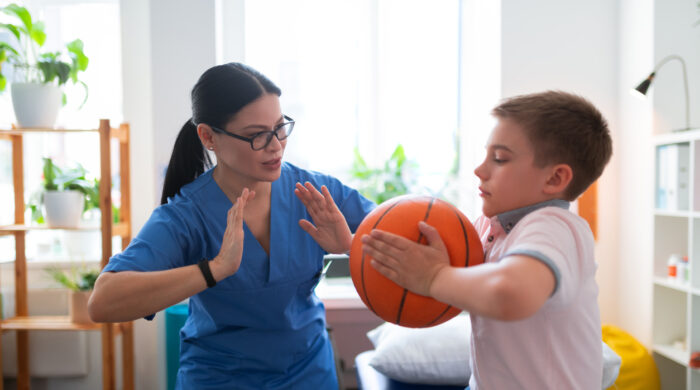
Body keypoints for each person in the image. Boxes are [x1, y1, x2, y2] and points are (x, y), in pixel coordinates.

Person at [88, 62, 375, 389]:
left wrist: (350, 245)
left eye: (280, 127)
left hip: (308, 374)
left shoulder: (316, 194)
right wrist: (215, 269)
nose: (276, 145)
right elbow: (103, 301)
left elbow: (406, 237)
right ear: (209, 137)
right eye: (257, 136)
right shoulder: (187, 215)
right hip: (220, 379)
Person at [362, 90, 613, 389]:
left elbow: (510, 294)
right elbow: (419, 249)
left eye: (500, 158)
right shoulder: (490, 226)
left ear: (555, 179)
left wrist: (434, 277)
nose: (479, 170)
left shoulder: (556, 228)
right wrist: (356, 244)